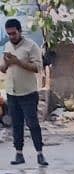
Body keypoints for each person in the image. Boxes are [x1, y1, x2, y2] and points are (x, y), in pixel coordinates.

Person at [0, 18, 48, 166]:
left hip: (28, 92)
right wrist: (7, 63)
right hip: (12, 92)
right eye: (9, 34)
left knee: (32, 123)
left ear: (20, 31)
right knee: (17, 124)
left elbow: (37, 68)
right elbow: (2, 69)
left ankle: (40, 154)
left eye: (14, 33)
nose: (12, 36)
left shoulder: (31, 46)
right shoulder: (7, 46)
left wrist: (18, 62)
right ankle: (19, 154)